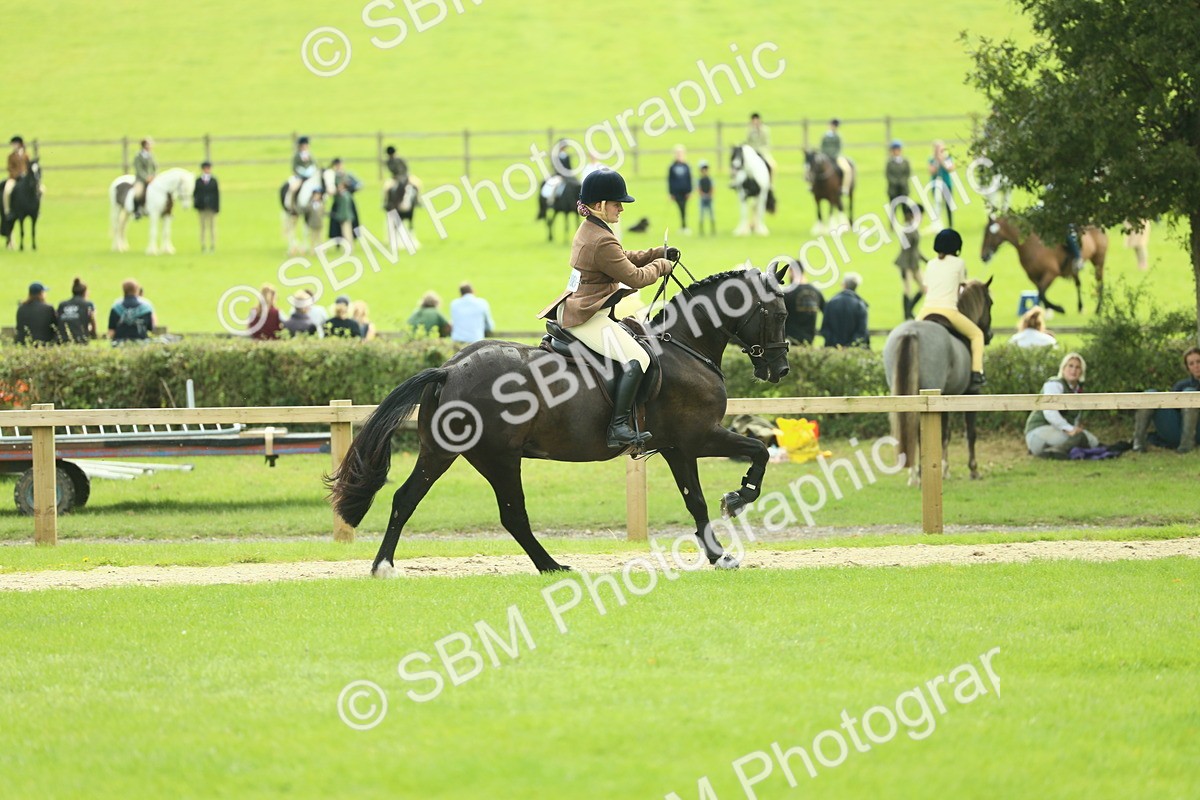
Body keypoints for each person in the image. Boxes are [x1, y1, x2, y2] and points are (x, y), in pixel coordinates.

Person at [536, 168, 677, 448]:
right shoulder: (601, 238)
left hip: (584, 308)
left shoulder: (594, 229)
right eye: (617, 203)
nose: (621, 209)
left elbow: (622, 257)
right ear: (599, 205)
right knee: (639, 358)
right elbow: (634, 277)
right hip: (587, 316)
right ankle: (618, 427)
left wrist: (656, 253)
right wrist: (662, 266)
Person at [916, 228, 985, 386]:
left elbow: (926, 288)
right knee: (977, 335)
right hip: (948, 311)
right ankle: (977, 372)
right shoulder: (960, 263)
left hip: (926, 310)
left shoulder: (931, 264)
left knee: (909, 333)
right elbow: (961, 289)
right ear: (957, 248)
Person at [1025, 352, 1099, 457]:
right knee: (1082, 437)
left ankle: (1055, 450)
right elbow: (1050, 412)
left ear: (1081, 371)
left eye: (1078, 367)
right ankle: (1051, 452)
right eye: (1070, 366)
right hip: (1039, 431)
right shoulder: (1054, 384)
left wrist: (1074, 428)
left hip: (1057, 431)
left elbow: (1075, 417)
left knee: (1093, 441)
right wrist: (1069, 429)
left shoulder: (1077, 390)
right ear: (1063, 368)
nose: (1073, 370)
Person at [1133, 346, 1200, 454]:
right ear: (1188, 368)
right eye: (1191, 364)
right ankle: (1138, 442)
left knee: (1189, 392)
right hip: (1176, 428)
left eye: (1198, 361)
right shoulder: (1181, 385)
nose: (1196, 366)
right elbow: (1171, 408)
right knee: (1150, 394)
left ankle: (1186, 445)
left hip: (1197, 431)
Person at [894, 203, 926, 320]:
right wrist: (905, 268)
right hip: (907, 264)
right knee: (907, 289)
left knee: (924, 288)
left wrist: (924, 259)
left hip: (914, 264)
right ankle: (907, 314)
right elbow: (905, 250)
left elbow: (916, 249)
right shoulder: (908, 229)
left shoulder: (914, 227)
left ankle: (910, 310)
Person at [820, 273, 869, 349]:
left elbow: (825, 328)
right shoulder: (860, 305)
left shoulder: (831, 302)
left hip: (832, 350)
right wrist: (849, 346)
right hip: (853, 351)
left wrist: (836, 345)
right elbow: (862, 332)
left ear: (844, 285)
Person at [782, 263, 824, 345]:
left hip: (790, 340)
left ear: (792, 272)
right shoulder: (816, 292)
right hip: (810, 340)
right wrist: (821, 331)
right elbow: (827, 312)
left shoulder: (787, 293)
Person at [107, 279, 156, 343]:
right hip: (141, 344)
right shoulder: (146, 307)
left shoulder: (116, 307)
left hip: (120, 344)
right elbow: (151, 327)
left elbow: (111, 330)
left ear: (124, 290)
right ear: (137, 290)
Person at [56, 277, 97, 344]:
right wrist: (93, 334)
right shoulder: (88, 304)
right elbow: (93, 321)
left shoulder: (62, 305)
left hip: (62, 342)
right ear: (85, 292)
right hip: (80, 341)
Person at [927, 140, 956, 228]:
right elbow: (931, 171)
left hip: (946, 184)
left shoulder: (947, 158)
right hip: (935, 185)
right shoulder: (931, 159)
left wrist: (942, 161)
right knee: (937, 204)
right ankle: (937, 224)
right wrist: (937, 162)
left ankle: (950, 225)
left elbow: (950, 168)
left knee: (948, 205)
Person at [285, 136, 316, 213]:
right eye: (303, 146)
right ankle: (292, 205)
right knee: (293, 188)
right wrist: (301, 172)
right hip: (299, 177)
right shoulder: (297, 156)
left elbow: (314, 165)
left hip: (310, 176)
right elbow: (294, 167)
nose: (305, 147)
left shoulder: (310, 155)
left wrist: (312, 171)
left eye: (306, 146)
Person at [194, 161, 220, 252]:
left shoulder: (213, 181)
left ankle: (213, 244)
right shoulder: (198, 181)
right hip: (202, 207)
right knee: (203, 227)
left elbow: (217, 195)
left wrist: (217, 208)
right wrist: (197, 205)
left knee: (212, 226)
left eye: (209, 168)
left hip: (211, 207)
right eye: (206, 168)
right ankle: (203, 244)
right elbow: (195, 194)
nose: (207, 170)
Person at [667, 145, 693, 234]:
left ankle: (684, 226)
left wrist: (689, 191)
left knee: (684, 209)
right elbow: (670, 180)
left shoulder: (686, 166)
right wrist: (671, 193)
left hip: (685, 192)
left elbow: (689, 179)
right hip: (676, 192)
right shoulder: (672, 167)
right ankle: (683, 226)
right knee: (680, 208)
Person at [129, 138, 157, 219]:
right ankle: (136, 210)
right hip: (141, 179)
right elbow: (139, 169)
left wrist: (153, 175)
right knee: (138, 193)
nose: (150, 146)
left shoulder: (151, 155)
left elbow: (155, 167)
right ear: (144, 146)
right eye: (148, 144)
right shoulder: (138, 156)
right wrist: (146, 177)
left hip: (151, 178)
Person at [4, 136, 30, 222]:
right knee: (7, 190)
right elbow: (9, 168)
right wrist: (17, 175)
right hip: (13, 178)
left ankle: (35, 209)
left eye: (15, 144)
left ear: (19, 144)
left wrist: (25, 174)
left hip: (25, 179)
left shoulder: (26, 155)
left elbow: (28, 167)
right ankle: (7, 210)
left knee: (40, 189)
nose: (13, 146)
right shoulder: (10, 156)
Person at [697, 160, 715, 236]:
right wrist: (703, 195)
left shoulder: (710, 179)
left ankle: (713, 230)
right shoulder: (699, 180)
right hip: (702, 199)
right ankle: (701, 231)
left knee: (712, 215)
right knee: (701, 216)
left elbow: (712, 188)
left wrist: (709, 195)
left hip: (709, 199)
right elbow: (698, 189)